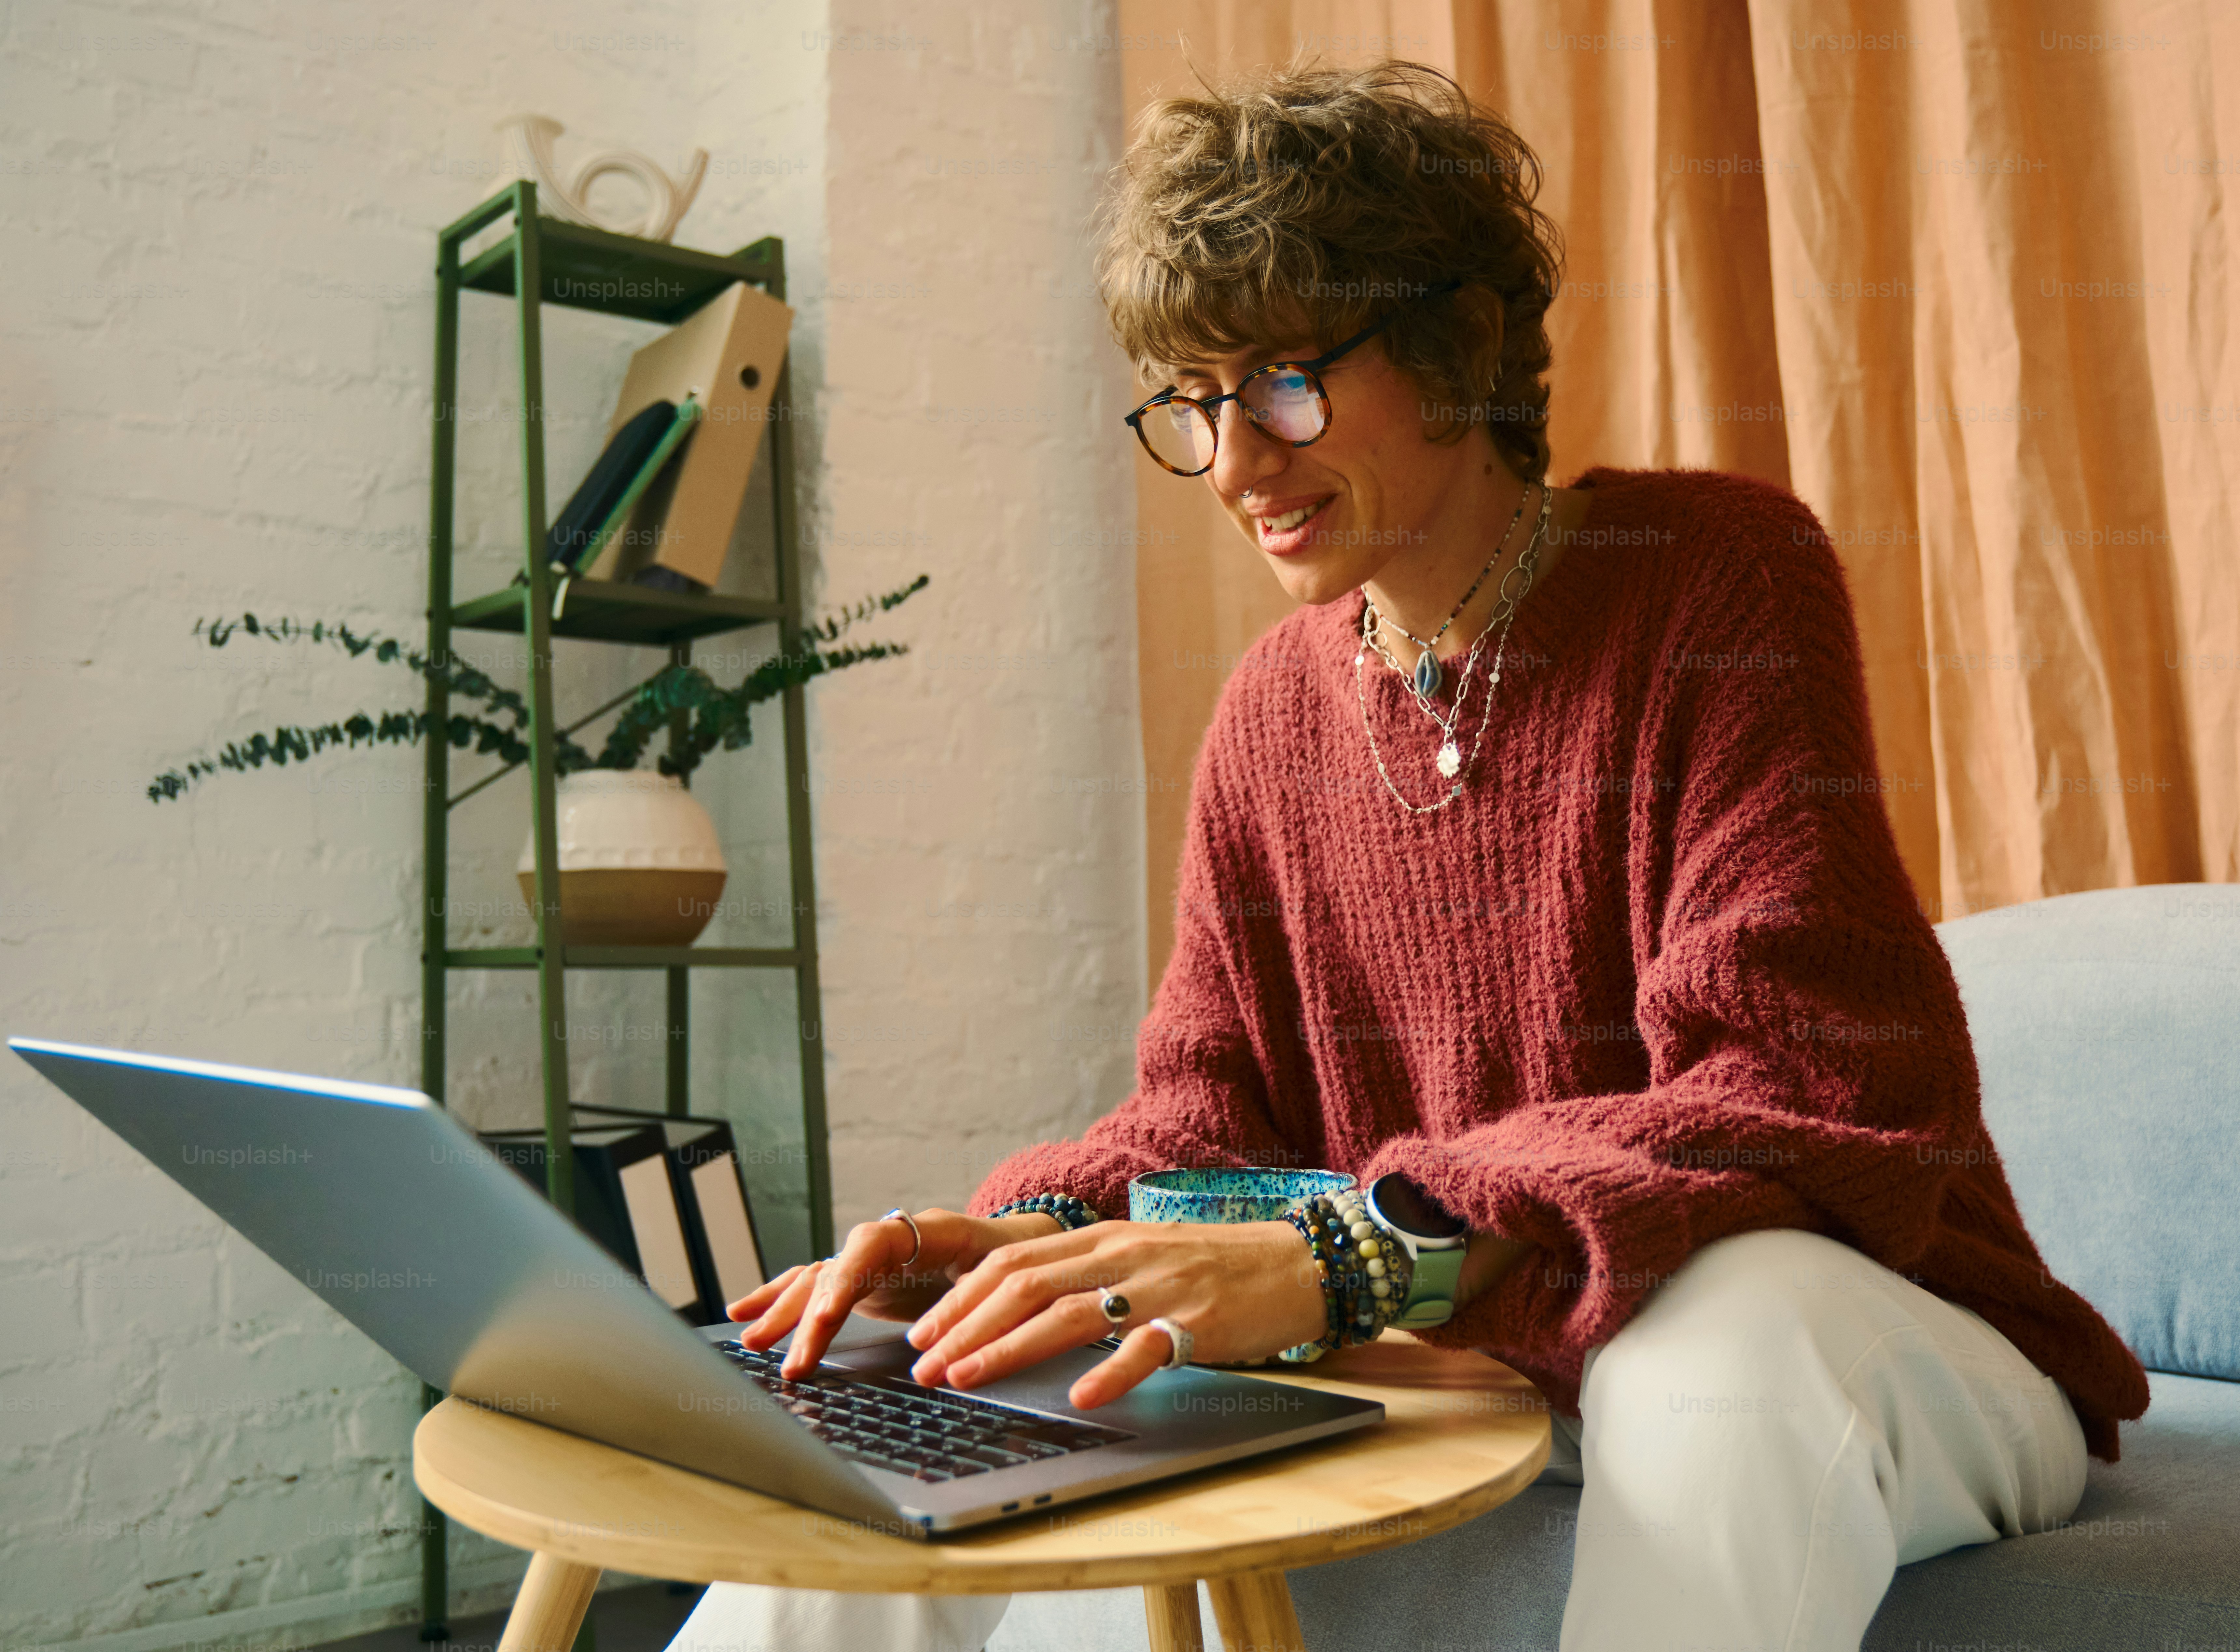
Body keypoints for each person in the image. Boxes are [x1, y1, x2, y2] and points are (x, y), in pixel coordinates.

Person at [670, 58, 2148, 1652]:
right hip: (1484, 1367)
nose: (1233, 461)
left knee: (1720, 1335)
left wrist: (1355, 1251)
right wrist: (1026, 1242)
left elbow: (1801, 1088)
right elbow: (1209, 1109)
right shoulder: (1269, 713)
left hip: (1874, 1338)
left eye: (1284, 380)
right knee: (937, 1387)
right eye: (1191, 399)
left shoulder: (1718, 578)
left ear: (1451, 343)